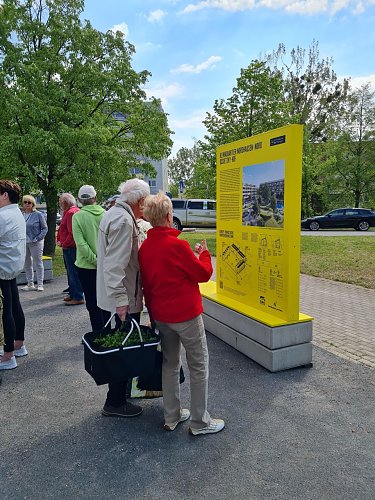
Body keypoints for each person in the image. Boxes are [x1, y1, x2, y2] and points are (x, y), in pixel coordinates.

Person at [139, 192, 225, 435]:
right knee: (198, 365)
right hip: (186, 315)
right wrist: (205, 254)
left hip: (162, 316)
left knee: (170, 364)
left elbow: (147, 285)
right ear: (169, 216)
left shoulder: (145, 248)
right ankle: (200, 422)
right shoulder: (178, 245)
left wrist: (153, 315)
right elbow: (202, 274)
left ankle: (172, 415)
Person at [97, 178, 150, 418]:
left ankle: (118, 396)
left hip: (118, 296)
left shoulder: (115, 213)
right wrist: (121, 301)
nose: (145, 208)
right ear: (138, 200)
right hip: (123, 299)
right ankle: (115, 402)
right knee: (122, 350)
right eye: (144, 203)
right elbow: (114, 265)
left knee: (120, 347)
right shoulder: (123, 220)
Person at [72, 185, 109, 332]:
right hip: (105, 264)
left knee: (92, 302)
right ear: (95, 197)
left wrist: (94, 260)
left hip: (86, 266)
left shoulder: (78, 216)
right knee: (105, 300)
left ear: (80, 199)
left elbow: (81, 244)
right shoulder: (106, 214)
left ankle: (97, 332)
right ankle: (107, 330)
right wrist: (101, 260)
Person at [0, 180, 27, 370]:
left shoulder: (3, 216)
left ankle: (8, 354)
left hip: (3, 267)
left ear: (4, 195)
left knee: (5, 310)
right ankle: (18, 345)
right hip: (12, 265)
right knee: (14, 305)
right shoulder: (16, 212)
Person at [57, 193, 84, 306]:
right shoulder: (70, 212)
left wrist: (64, 243)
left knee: (73, 272)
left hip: (70, 247)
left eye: (60, 202)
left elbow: (72, 233)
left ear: (65, 203)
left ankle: (77, 296)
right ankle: (73, 293)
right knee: (71, 271)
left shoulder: (71, 213)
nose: (60, 204)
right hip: (69, 247)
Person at [21, 195, 48, 292]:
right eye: (25, 202)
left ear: (33, 204)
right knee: (27, 263)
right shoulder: (22, 214)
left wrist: (38, 238)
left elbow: (45, 228)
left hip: (36, 242)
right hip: (24, 242)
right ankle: (30, 283)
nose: (27, 204)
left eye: (29, 202)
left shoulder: (38, 214)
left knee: (38, 262)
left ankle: (40, 284)